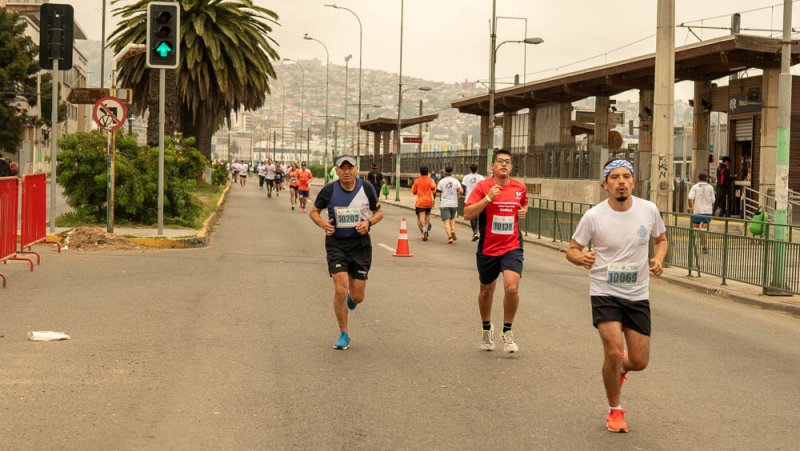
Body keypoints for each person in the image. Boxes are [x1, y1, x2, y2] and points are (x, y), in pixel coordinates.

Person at [565, 159, 668, 434]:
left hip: (637, 294)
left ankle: (619, 368)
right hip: (605, 291)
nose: (621, 181)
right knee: (613, 350)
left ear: (633, 182)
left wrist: (658, 259)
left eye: (625, 176)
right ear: (605, 184)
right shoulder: (593, 216)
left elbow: (661, 239)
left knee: (639, 361)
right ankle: (615, 410)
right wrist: (581, 258)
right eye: (614, 177)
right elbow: (572, 249)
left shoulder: (649, 210)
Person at [310, 154, 383, 350]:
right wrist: (322, 223)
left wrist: (368, 223)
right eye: (342, 168)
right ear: (337, 171)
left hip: (360, 246)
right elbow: (314, 211)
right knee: (340, 289)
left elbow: (379, 212)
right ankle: (344, 333)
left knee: (357, 297)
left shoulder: (366, 188)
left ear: (356, 169)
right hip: (337, 245)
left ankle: (353, 297)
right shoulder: (329, 190)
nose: (346, 171)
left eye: (350, 167)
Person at [463, 149, 528, 354]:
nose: (504, 164)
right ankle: (486, 327)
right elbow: (467, 214)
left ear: (511, 166)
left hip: (512, 246)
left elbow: (523, 204)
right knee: (486, 291)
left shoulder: (519, 187)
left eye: (507, 161)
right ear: (492, 166)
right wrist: (487, 199)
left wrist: (524, 211)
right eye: (500, 161)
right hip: (488, 247)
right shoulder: (483, 187)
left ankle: (507, 330)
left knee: (512, 288)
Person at [688, 172, 715, 254]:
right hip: (708, 211)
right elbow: (713, 200)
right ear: (706, 179)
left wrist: (691, 208)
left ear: (698, 178)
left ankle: (694, 244)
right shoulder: (710, 187)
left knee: (695, 227)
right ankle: (704, 247)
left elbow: (690, 198)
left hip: (697, 211)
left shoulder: (695, 187)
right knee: (704, 229)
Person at [436, 166, 464, 244]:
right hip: (454, 203)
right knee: (452, 218)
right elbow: (461, 191)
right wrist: (458, 194)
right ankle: (453, 230)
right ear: (452, 172)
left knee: (446, 221)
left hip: (444, 203)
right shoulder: (456, 181)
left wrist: (442, 193)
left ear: (445, 172)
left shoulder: (441, 181)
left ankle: (449, 237)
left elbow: (437, 194)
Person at [411, 166, 437, 241]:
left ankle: (424, 231)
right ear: (427, 172)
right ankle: (426, 228)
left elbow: (414, 192)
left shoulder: (417, 181)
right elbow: (433, 187)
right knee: (427, 215)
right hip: (429, 201)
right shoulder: (431, 180)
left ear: (420, 172)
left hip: (420, 202)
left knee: (420, 217)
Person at [461, 163, 485, 241]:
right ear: (477, 169)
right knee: (478, 216)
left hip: (469, 199)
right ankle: (478, 231)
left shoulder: (466, 177)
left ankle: (475, 232)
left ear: (470, 169)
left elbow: (463, 188)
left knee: (471, 216)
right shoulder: (481, 177)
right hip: (479, 199)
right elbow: (484, 188)